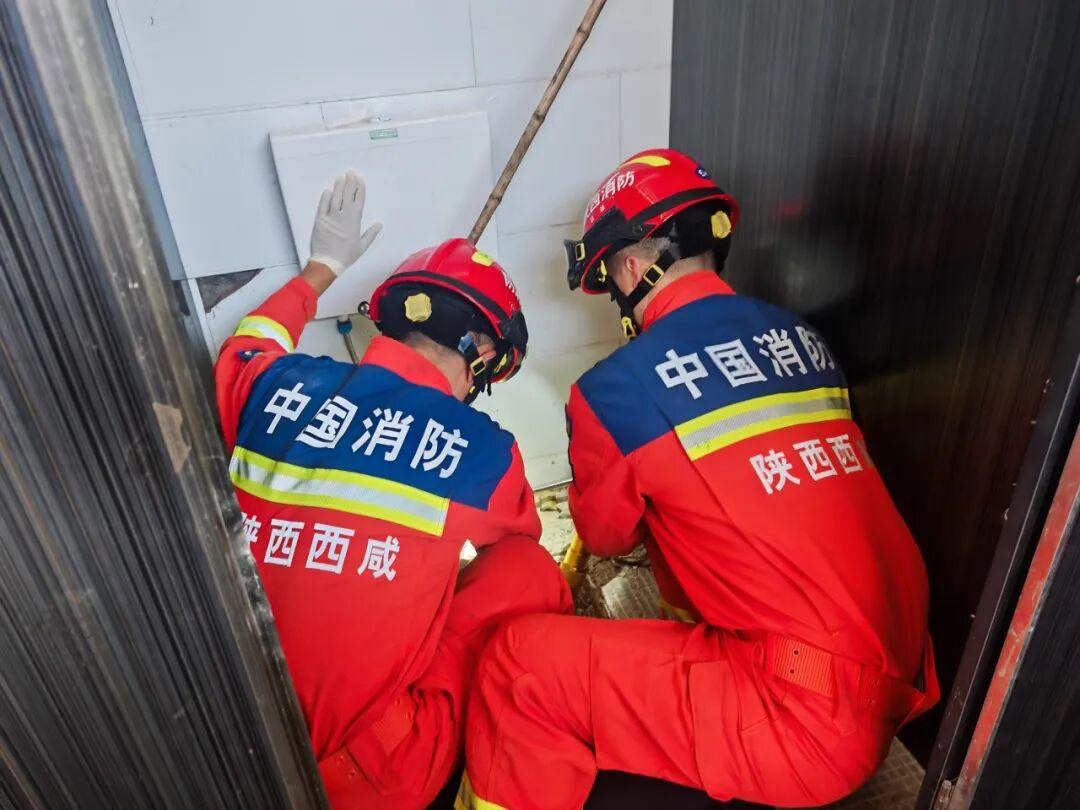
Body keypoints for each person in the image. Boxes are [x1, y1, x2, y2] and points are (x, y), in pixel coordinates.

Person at [457, 149, 939, 809]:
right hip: (900, 680)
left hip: (802, 722)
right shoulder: (801, 338)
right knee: (690, 521)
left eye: (611, 277)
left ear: (631, 268)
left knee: (517, 664)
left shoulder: (615, 390)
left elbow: (606, 534)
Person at [214, 170, 571, 809]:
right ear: (480, 350)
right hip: (359, 777)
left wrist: (322, 267)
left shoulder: (275, 383)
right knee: (529, 569)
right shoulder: (481, 448)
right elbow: (520, 536)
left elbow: (246, 343)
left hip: (219, 736)